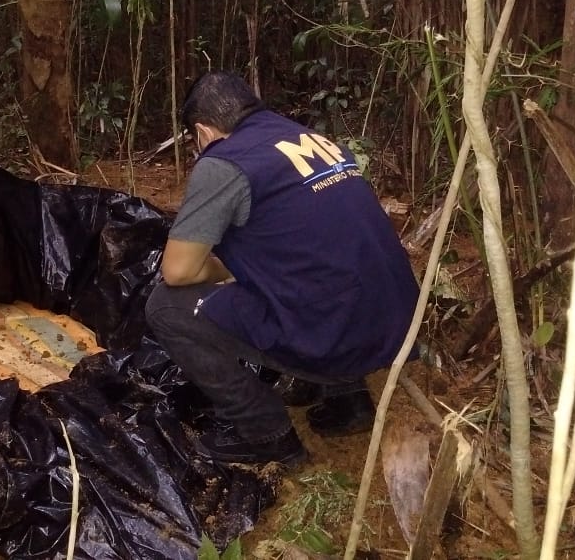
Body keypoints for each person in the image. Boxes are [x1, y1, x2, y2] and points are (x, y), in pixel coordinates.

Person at [145, 71, 418, 467]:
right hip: (395, 322)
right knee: (307, 265)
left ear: (203, 131)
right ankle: (348, 399)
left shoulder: (225, 162)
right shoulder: (308, 138)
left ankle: (265, 433)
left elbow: (178, 271)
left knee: (165, 307)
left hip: (336, 337)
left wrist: (223, 272)